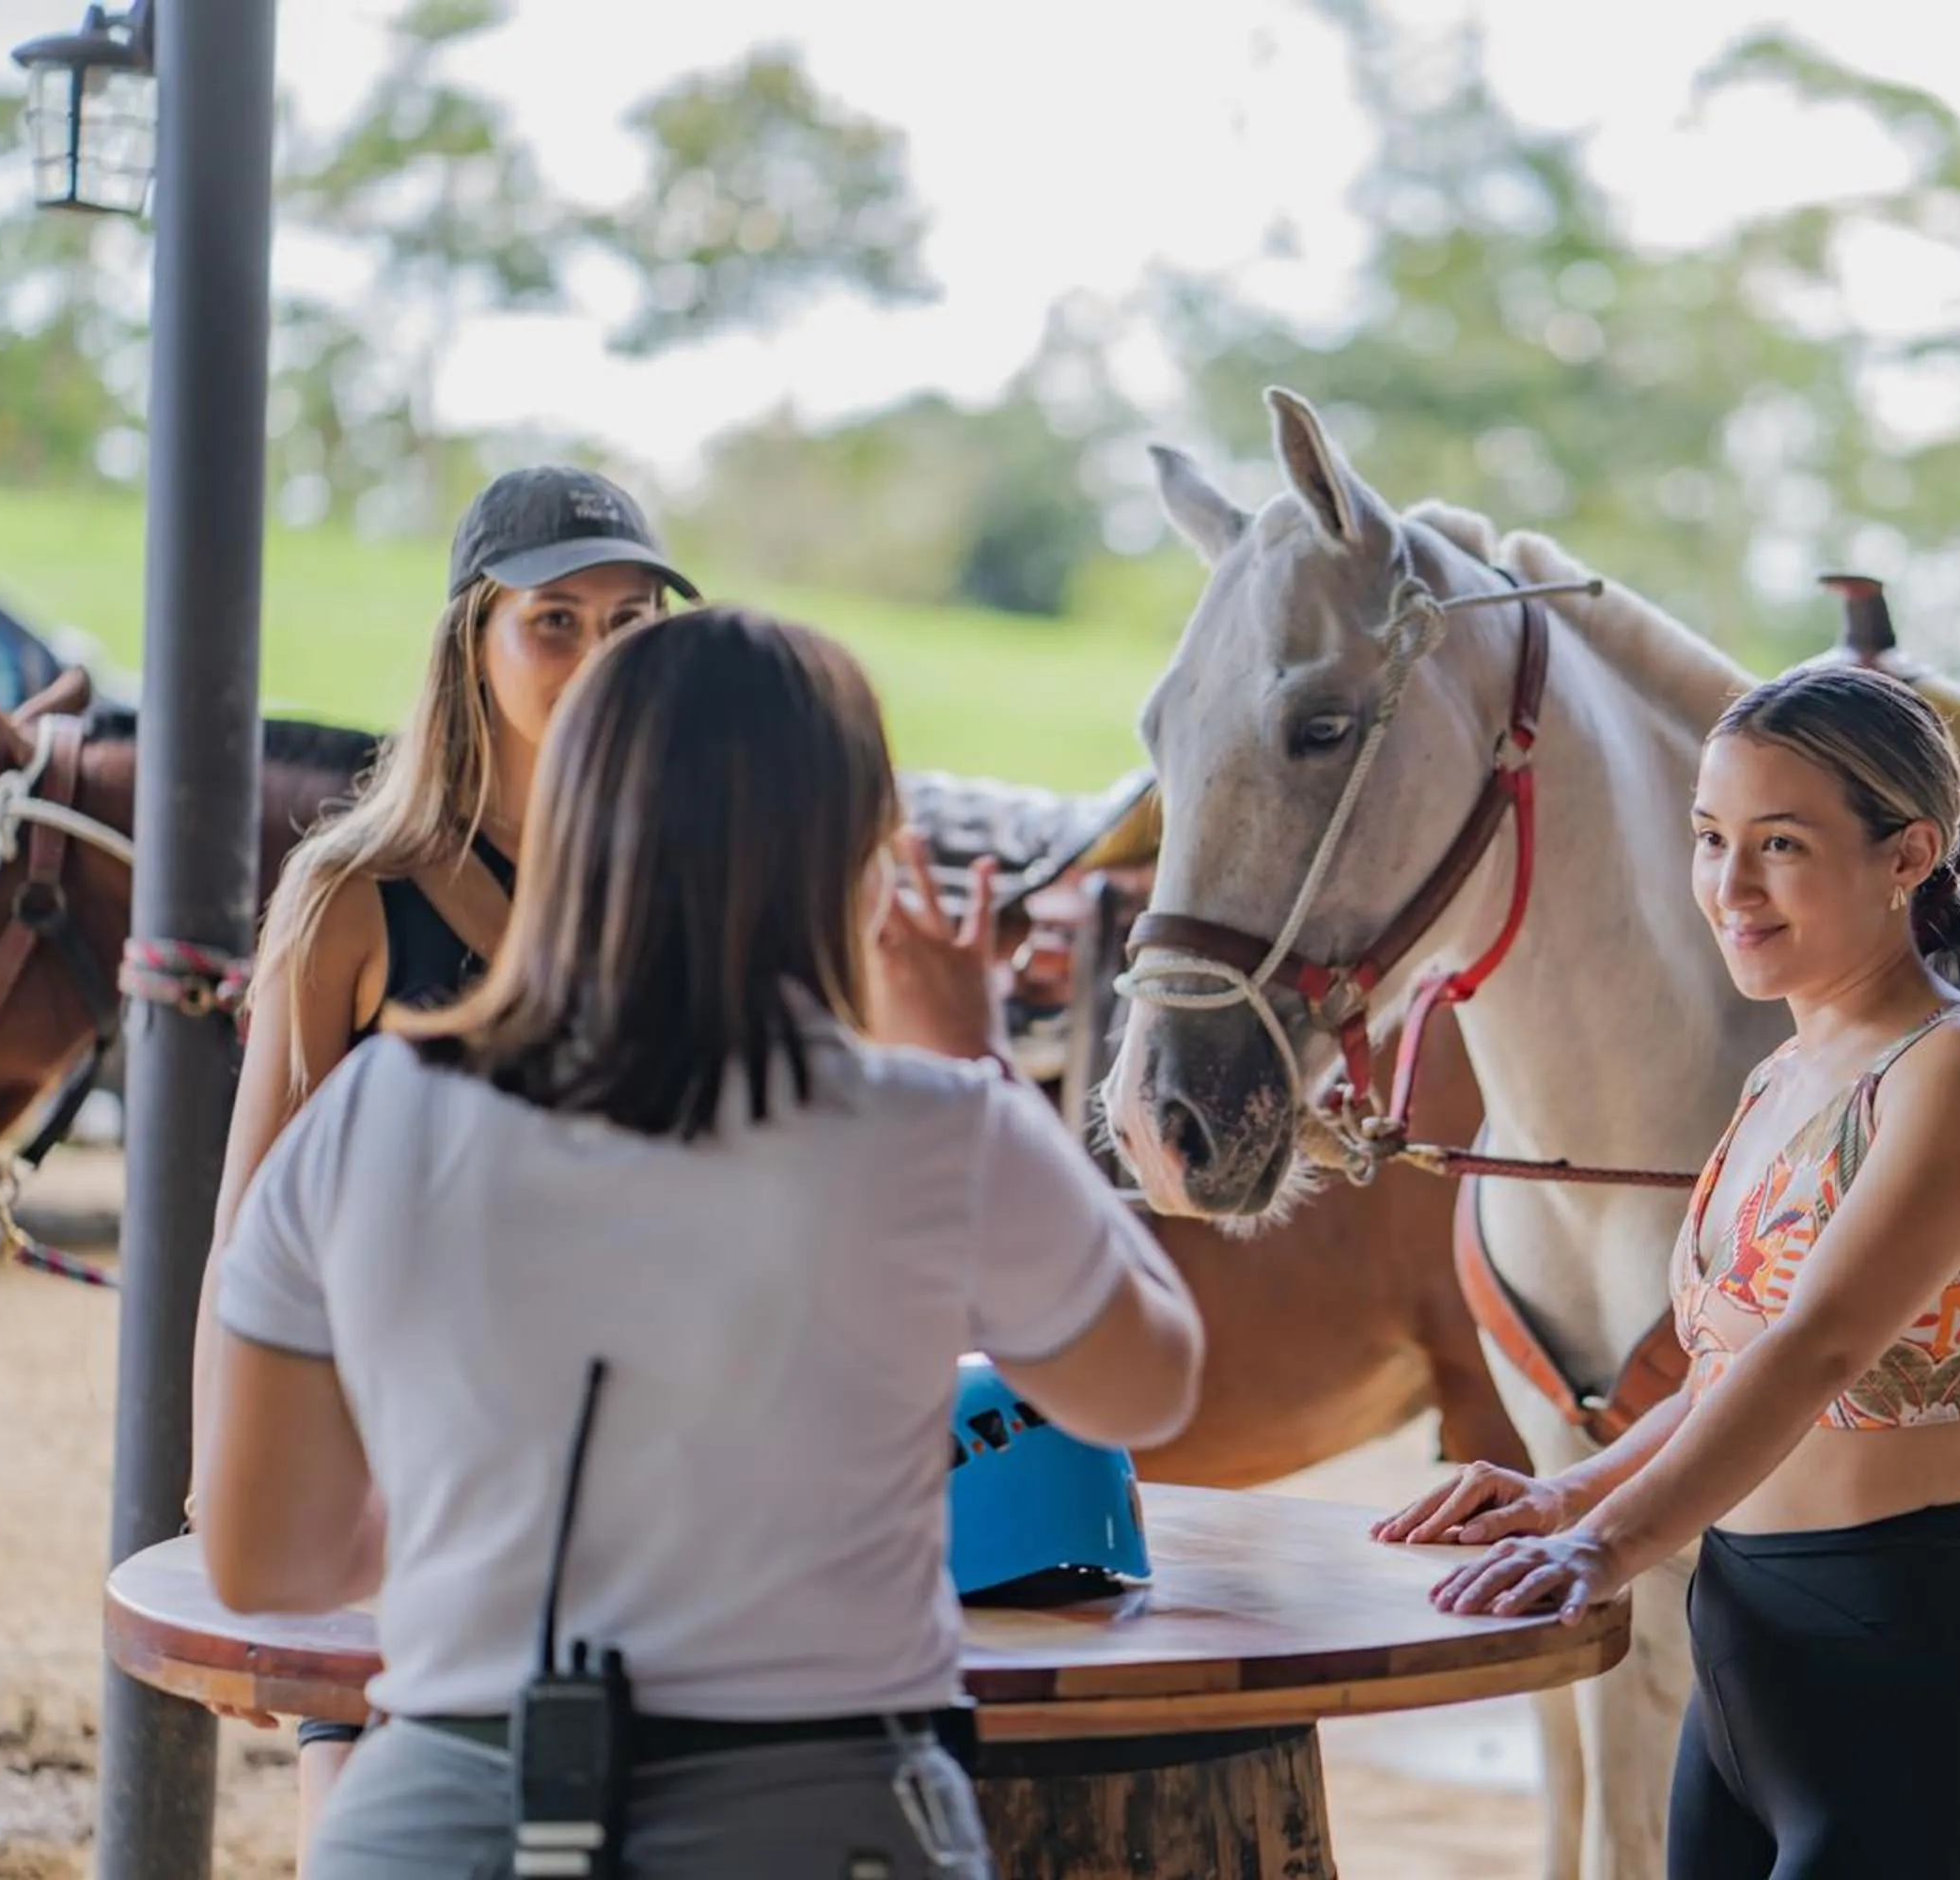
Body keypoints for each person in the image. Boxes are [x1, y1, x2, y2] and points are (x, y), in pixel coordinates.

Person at [193, 604, 1206, 1878]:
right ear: (858, 864)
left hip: (439, 1822)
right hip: (820, 1820)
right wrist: (977, 1060)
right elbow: (1146, 1385)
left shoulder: (365, 1116)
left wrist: (491, 1495)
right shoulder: (936, 1128)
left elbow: (264, 1558)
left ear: (566, 829)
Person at [1375, 663, 1960, 1878]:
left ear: (1909, 855)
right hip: (1745, 1689)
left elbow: (1816, 1351)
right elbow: (1725, 1371)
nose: (1730, 887)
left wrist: (1604, 1548)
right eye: (1710, 839)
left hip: (1913, 1707)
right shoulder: (1780, 1078)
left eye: (1780, 845)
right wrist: (1563, 1496)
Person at [186, 463, 699, 1858]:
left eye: (630, 623)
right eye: (555, 622)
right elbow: (249, 1235)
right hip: (387, 1499)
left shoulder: (681, 894)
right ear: (472, 638)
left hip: (639, 1515)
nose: (596, 658)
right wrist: (226, 1508)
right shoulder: (353, 894)